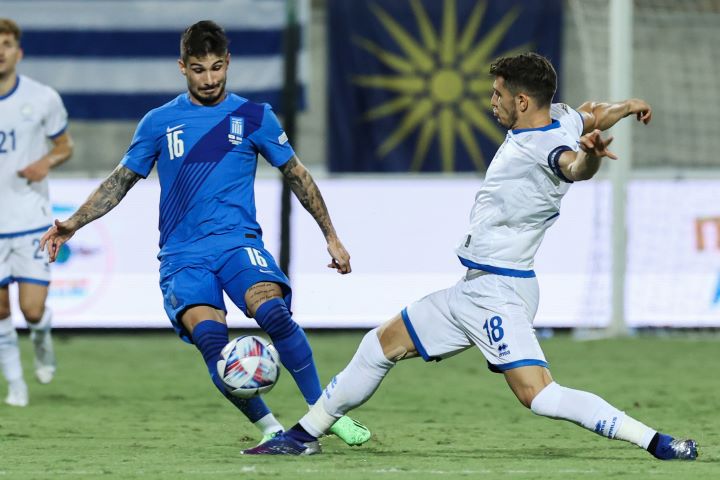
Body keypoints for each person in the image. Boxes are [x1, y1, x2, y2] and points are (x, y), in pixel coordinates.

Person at [243, 52, 698, 460]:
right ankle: (303, 435)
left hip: (499, 293)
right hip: (474, 289)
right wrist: (627, 106)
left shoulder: (545, 147)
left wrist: (593, 156)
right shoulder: (560, 118)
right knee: (380, 344)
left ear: (523, 101)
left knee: (539, 396)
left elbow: (574, 168)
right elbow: (592, 112)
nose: (491, 101)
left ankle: (656, 441)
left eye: (498, 94)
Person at [40, 20, 369, 446]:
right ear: (183, 67)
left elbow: (297, 174)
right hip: (183, 257)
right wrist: (73, 223)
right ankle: (273, 432)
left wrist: (331, 236)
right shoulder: (159, 122)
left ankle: (323, 413)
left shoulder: (254, 116)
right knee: (214, 344)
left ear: (228, 62)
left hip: (238, 245)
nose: (209, 79)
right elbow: (119, 182)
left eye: (216, 68)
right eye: (199, 69)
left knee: (274, 314)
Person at [0, 18, 73, 407]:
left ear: (19, 52)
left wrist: (46, 162)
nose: (0, 51)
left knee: (30, 309)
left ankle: (42, 336)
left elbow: (65, 146)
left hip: (29, 218)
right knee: (0, 310)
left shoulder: (42, 98)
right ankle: (16, 385)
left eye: (6, 44)